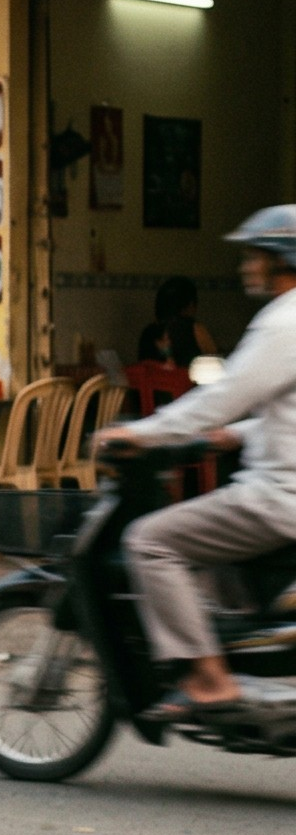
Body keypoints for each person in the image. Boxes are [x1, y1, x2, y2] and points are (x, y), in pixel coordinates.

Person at [99, 207, 296, 718]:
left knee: (149, 541)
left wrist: (138, 433)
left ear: (284, 261)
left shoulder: (282, 322)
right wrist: (235, 435)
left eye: (256, 256)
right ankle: (240, 650)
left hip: (278, 497)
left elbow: (220, 396)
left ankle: (209, 678)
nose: (246, 267)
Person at [136, 276, 217, 370]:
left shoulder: (148, 332)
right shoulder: (195, 329)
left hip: (152, 383)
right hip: (187, 383)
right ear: (190, 304)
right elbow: (215, 363)